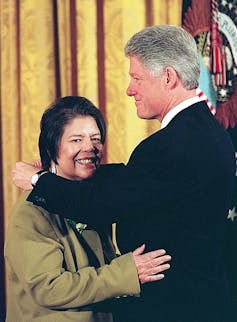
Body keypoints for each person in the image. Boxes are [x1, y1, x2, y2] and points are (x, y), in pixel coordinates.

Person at [13, 25, 236, 322]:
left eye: (136, 78)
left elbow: (98, 204)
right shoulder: (212, 134)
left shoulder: (168, 147)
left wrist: (36, 179)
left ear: (168, 77)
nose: (130, 89)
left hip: (175, 308)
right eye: (76, 140)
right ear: (52, 145)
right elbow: (138, 182)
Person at [5, 96, 171, 322]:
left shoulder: (92, 200)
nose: (89, 148)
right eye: (76, 140)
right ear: (51, 147)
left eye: (96, 139)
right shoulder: (32, 211)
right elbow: (49, 287)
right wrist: (126, 273)